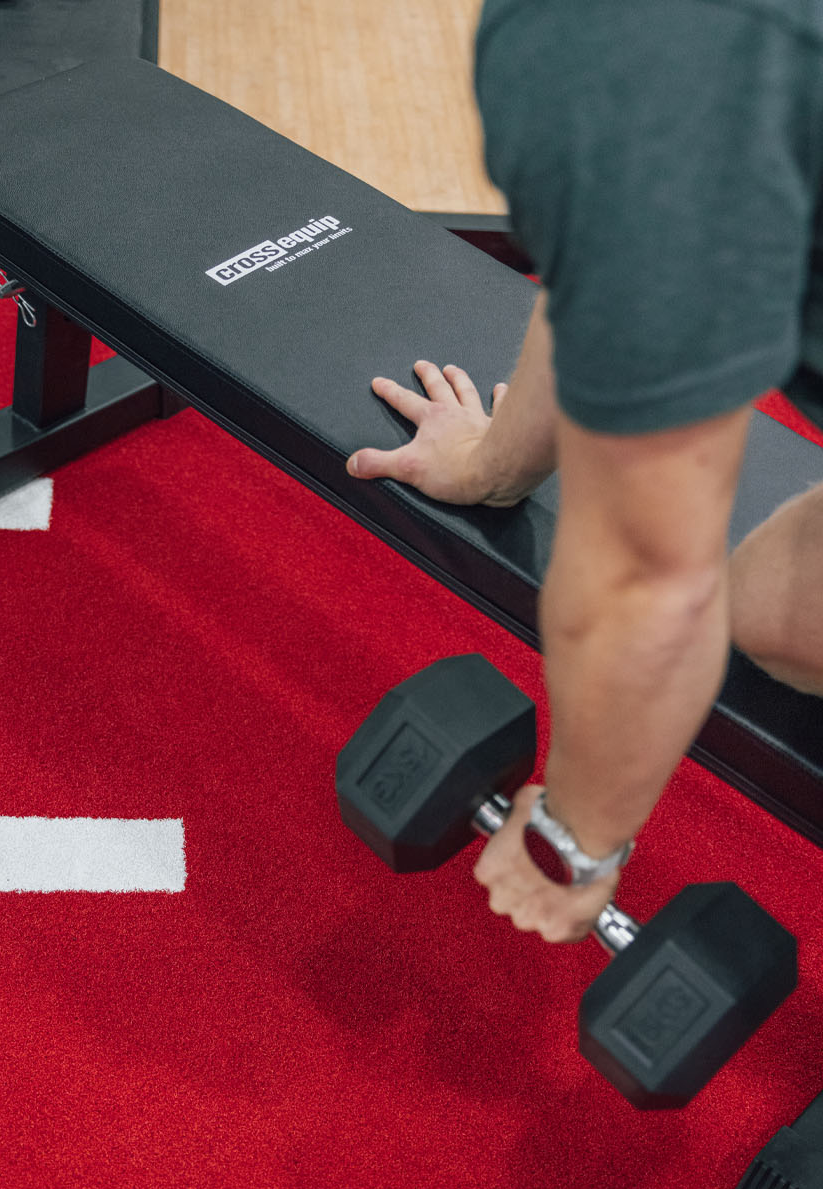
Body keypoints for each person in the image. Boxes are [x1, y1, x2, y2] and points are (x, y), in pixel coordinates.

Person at [345, 0, 823, 943]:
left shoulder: (629, 48)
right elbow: (612, 274)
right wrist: (491, 466)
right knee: (776, 616)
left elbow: (647, 578)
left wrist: (576, 841)